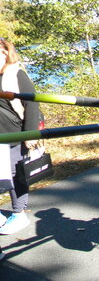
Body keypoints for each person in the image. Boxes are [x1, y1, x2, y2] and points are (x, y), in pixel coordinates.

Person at [0, 38, 41, 235]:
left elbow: (32, 104)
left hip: (15, 133)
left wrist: (31, 133)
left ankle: (19, 213)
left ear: (5, 53)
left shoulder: (16, 75)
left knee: (16, 174)